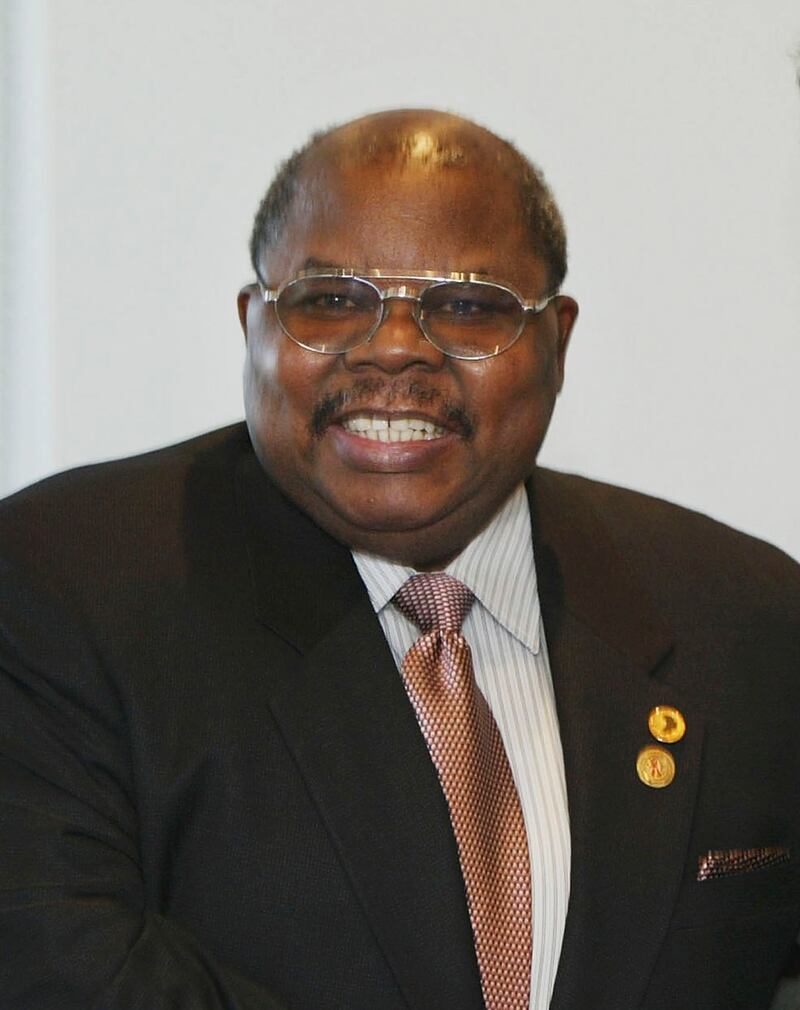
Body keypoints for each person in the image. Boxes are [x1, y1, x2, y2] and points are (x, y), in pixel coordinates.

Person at [0, 108, 798, 1010]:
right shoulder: (59, 584)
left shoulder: (745, 616)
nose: (393, 349)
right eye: (331, 299)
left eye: (466, 306)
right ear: (252, 323)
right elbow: (63, 974)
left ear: (557, 340)